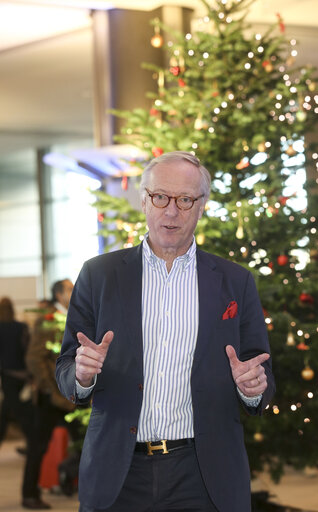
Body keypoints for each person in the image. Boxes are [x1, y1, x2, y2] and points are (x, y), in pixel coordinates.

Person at [56, 151, 275, 512]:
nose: (171, 211)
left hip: (204, 472)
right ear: (144, 200)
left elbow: (261, 369)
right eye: (160, 197)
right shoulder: (99, 276)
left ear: (201, 206)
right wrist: (81, 375)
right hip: (119, 471)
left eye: (185, 200)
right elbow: (65, 366)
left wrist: (253, 388)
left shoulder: (235, 282)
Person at [23, 279, 75, 510]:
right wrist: (49, 386)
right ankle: (29, 494)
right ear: (59, 294)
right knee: (38, 446)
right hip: (51, 397)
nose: (74, 292)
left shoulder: (73, 316)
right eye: (70, 289)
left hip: (72, 396)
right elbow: (34, 358)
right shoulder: (48, 320)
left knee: (86, 442)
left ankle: (69, 478)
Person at [0, 297, 32, 446]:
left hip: (7, 374)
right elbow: (27, 349)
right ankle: (32, 440)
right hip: (23, 374)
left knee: (13, 410)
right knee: (11, 409)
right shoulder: (21, 327)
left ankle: (32, 440)